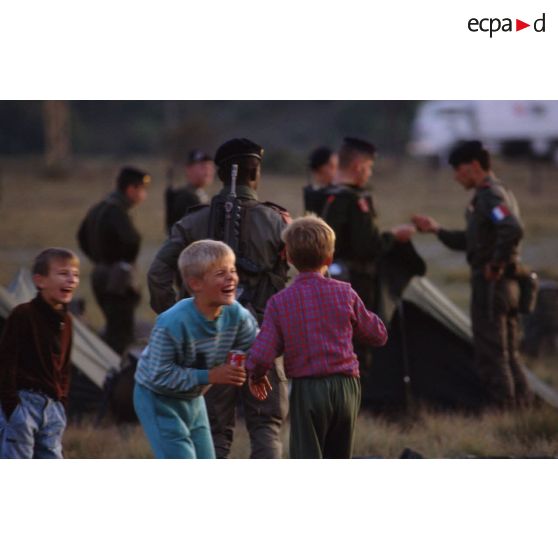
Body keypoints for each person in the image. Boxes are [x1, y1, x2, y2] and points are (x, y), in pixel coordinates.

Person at [148, 138, 289, 458]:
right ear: (256, 173)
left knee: (212, 432)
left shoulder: (191, 221)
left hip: (206, 338)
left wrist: (178, 317)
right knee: (266, 425)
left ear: (222, 174)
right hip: (261, 336)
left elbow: (157, 272)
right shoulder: (278, 222)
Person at [246, 216, 388, 458]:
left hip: (308, 388)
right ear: (329, 259)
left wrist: (256, 375)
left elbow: (263, 353)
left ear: (288, 258)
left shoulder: (280, 302)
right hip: (347, 387)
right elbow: (378, 335)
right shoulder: (346, 293)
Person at [412, 140, 532, 409]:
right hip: (505, 285)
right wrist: (437, 230)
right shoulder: (498, 193)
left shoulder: (490, 196)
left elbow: (512, 228)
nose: (455, 176)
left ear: (474, 166)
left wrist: (497, 264)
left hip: (493, 287)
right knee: (509, 355)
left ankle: (505, 413)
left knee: (493, 355)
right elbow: (473, 240)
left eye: (458, 169)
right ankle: (522, 411)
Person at [134, 240, 258, 458]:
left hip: (193, 397)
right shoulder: (172, 323)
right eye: (221, 273)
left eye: (233, 270)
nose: (231, 277)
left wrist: (258, 368)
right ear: (196, 284)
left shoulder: (235, 314)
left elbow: (255, 343)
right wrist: (210, 375)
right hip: (158, 398)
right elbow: (159, 375)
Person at [320, 137, 416, 316]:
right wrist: (393, 236)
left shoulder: (325, 195)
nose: (370, 173)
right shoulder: (355, 200)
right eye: (369, 166)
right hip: (356, 284)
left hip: (331, 281)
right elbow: (368, 247)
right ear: (358, 165)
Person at [0, 248, 80, 458]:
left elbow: (64, 367)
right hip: (24, 404)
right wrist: (12, 407)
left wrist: (61, 402)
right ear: (40, 280)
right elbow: (6, 362)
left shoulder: (67, 320)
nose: (71, 279)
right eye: (63, 274)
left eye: (75, 275)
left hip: (52, 408)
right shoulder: (23, 314)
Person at [77, 166, 150, 354]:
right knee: (121, 334)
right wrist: (124, 264)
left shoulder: (99, 208)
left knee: (113, 327)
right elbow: (132, 239)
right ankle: (115, 376)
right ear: (131, 189)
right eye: (142, 189)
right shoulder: (117, 211)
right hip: (117, 278)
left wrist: (99, 259)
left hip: (99, 274)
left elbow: (81, 236)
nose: (144, 195)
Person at [165, 149, 215, 233]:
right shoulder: (185, 197)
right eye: (203, 167)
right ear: (189, 169)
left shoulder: (199, 194)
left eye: (210, 167)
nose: (208, 171)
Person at [302, 146, 338, 215]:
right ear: (321, 168)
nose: (336, 171)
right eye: (332, 166)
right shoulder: (313, 193)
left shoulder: (339, 191)